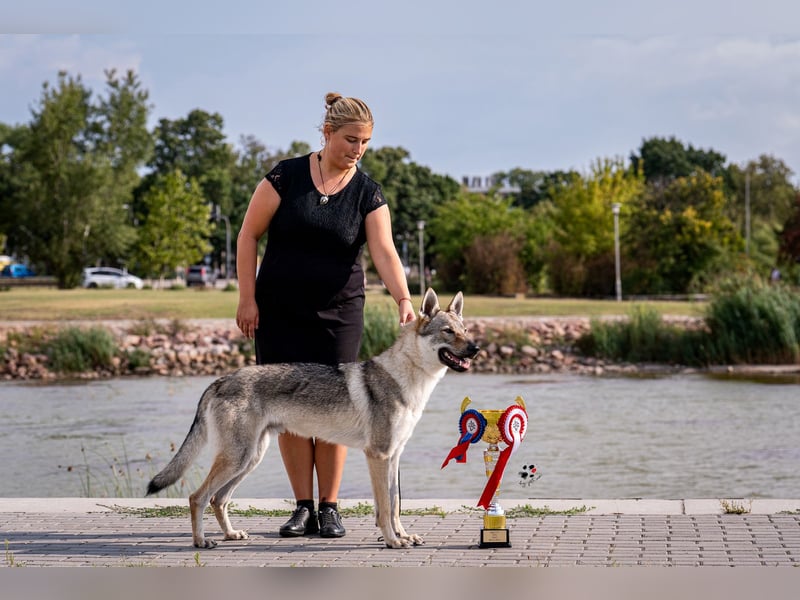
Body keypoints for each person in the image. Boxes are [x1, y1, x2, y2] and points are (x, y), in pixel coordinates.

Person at [235, 92, 416, 539]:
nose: (358, 149)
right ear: (327, 132)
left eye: (366, 142)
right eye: (351, 139)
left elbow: (385, 252)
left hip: (339, 314)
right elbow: (247, 235)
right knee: (289, 406)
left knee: (339, 408)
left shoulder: (367, 192)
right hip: (278, 311)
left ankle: (330, 507)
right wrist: (246, 298)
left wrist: (404, 299)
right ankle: (302, 507)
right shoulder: (286, 175)